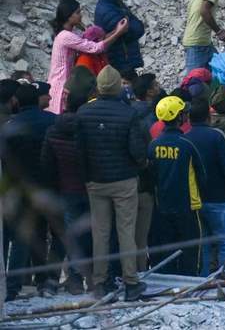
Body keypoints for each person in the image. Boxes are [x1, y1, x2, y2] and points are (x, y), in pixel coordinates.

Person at [76, 67, 149, 300]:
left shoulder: (83, 112)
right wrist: (140, 165)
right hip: (124, 181)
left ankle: (100, 282)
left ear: (98, 86)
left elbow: (80, 150)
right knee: (126, 231)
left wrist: (87, 176)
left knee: (101, 233)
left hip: (96, 182)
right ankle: (131, 283)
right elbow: (137, 150)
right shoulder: (128, 114)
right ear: (119, 86)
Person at [2, 83, 62, 298]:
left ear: (17, 102)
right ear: (38, 100)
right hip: (52, 186)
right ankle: (49, 279)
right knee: (56, 233)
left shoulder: (11, 126)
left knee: (24, 235)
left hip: (22, 189)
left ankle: (13, 286)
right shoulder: (53, 120)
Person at [147, 96, 207, 276]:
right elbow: (202, 176)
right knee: (191, 250)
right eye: (183, 113)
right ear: (179, 117)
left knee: (167, 248)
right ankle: (190, 283)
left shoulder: (153, 145)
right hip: (188, 206)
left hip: (162, 206)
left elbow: (150, 176)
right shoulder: (187, 144)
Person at [180, 96, 225, 275]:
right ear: (209, 117)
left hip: (195, 200)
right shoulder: (217, 136)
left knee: (203, 244)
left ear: (189, 119)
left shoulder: (185, 138)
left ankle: (204, 282)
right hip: (219, 197)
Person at [40, 88, 91, 293]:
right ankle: (79, 278)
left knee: (65, 235)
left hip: (64, 190)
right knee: (87, 235)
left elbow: (47, 164)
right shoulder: (86, 128)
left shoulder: (53, 129)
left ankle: (58, 280)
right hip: (87, 188)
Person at [48, 0, 127, 111]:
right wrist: (118, 33)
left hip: (66, 83)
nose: (80, 16)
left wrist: (116, 31)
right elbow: (95, 47)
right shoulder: (65, 36)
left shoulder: (69, 34)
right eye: (78, 13)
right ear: (68, 16)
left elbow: (94, 42)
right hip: (61, 85)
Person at [93, 0, 146, 81]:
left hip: (124, 61)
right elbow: (136, 30)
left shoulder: (114, 5)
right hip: (121, 63)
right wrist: (129, 18)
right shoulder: (107, 10)